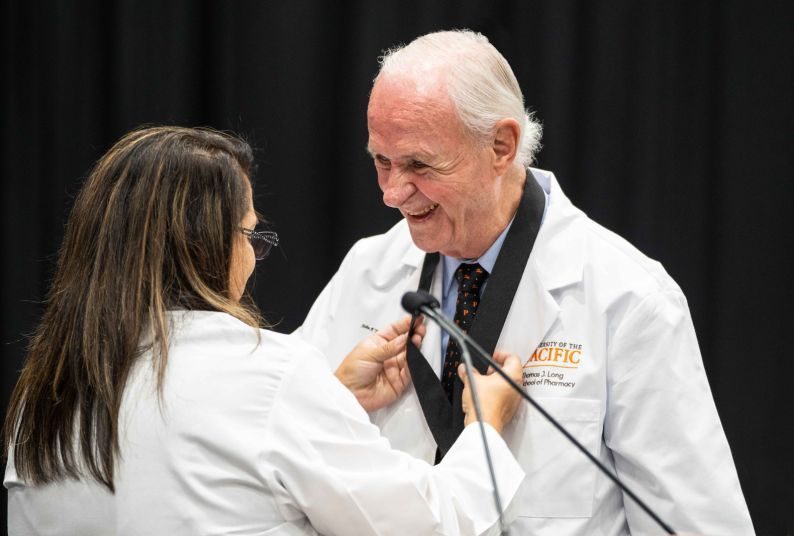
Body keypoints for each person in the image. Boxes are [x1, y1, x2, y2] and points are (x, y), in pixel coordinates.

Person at [297, 30, 756, 535]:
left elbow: (699, 525)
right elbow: (278, 461)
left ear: (501, 145)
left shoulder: (629, 298)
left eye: (419, 165)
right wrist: (336, 398)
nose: (390, 192)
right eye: (380, 161)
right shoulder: (368, 268)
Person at [3, 126, 527, 535]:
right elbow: (430, 523)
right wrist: (487, 427)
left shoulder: (42, 395)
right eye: (250, 235)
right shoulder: (268, 376)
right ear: (203, 243)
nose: (253, 258)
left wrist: (332, 397)